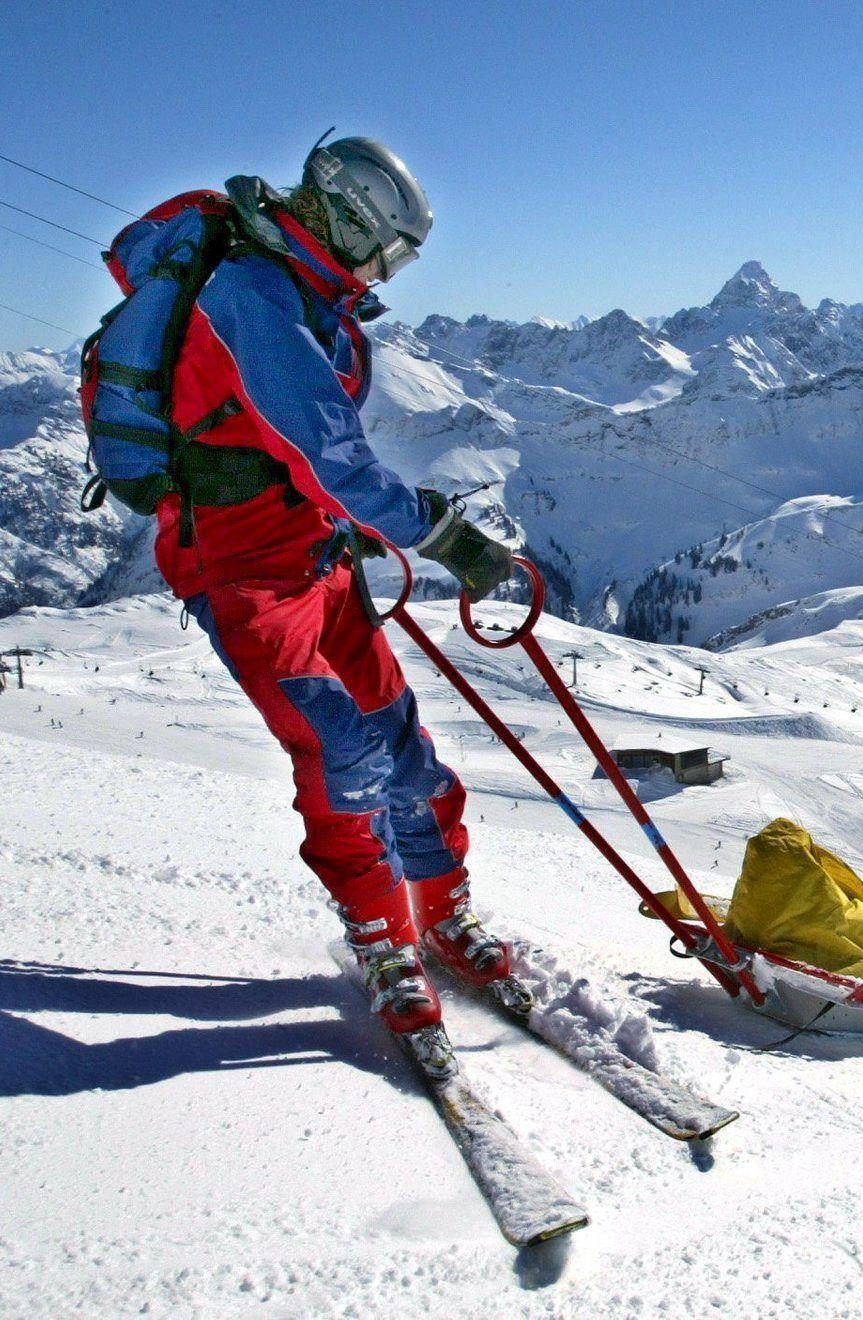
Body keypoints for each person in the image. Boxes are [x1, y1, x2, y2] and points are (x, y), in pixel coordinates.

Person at [114, 136, 516, 1074]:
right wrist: (436, 532)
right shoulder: (253, 295)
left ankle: (442, 913)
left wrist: (351, 527)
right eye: (387, 251)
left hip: (312, 553)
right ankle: (384, 943)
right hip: (244, 571)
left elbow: (294, 455)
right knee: (340, 750)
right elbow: (327, 452)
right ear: (346, 220)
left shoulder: (301, 289)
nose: (387, 273)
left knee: (398, 736)